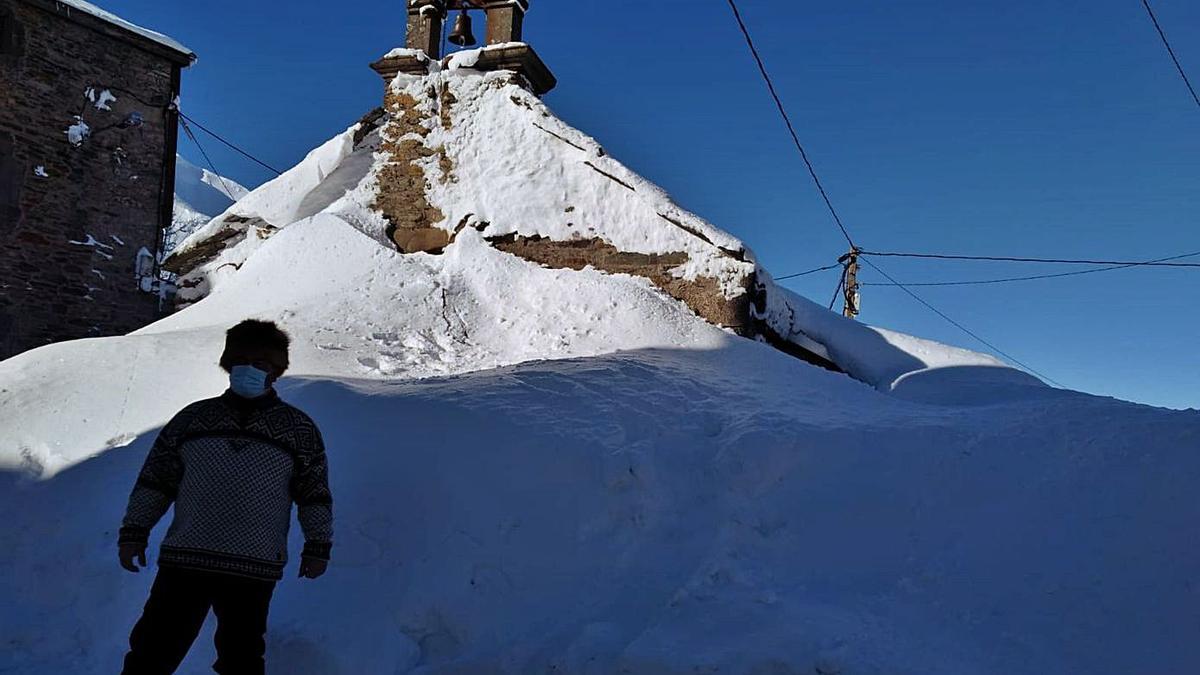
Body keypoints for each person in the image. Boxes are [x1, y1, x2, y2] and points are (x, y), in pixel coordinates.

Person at [117, 319, 333, 675]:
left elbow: (314, 495)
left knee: (242, 660)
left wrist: (317, 546)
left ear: (277, 371)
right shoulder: (192, 419)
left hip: (254, 567)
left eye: (262, 363)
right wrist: (134, 532)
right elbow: (155, 482)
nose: (250, 369)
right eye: (241, 361)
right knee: (150, 654)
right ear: (228, 364)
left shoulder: (299, 430)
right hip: (185, 562)